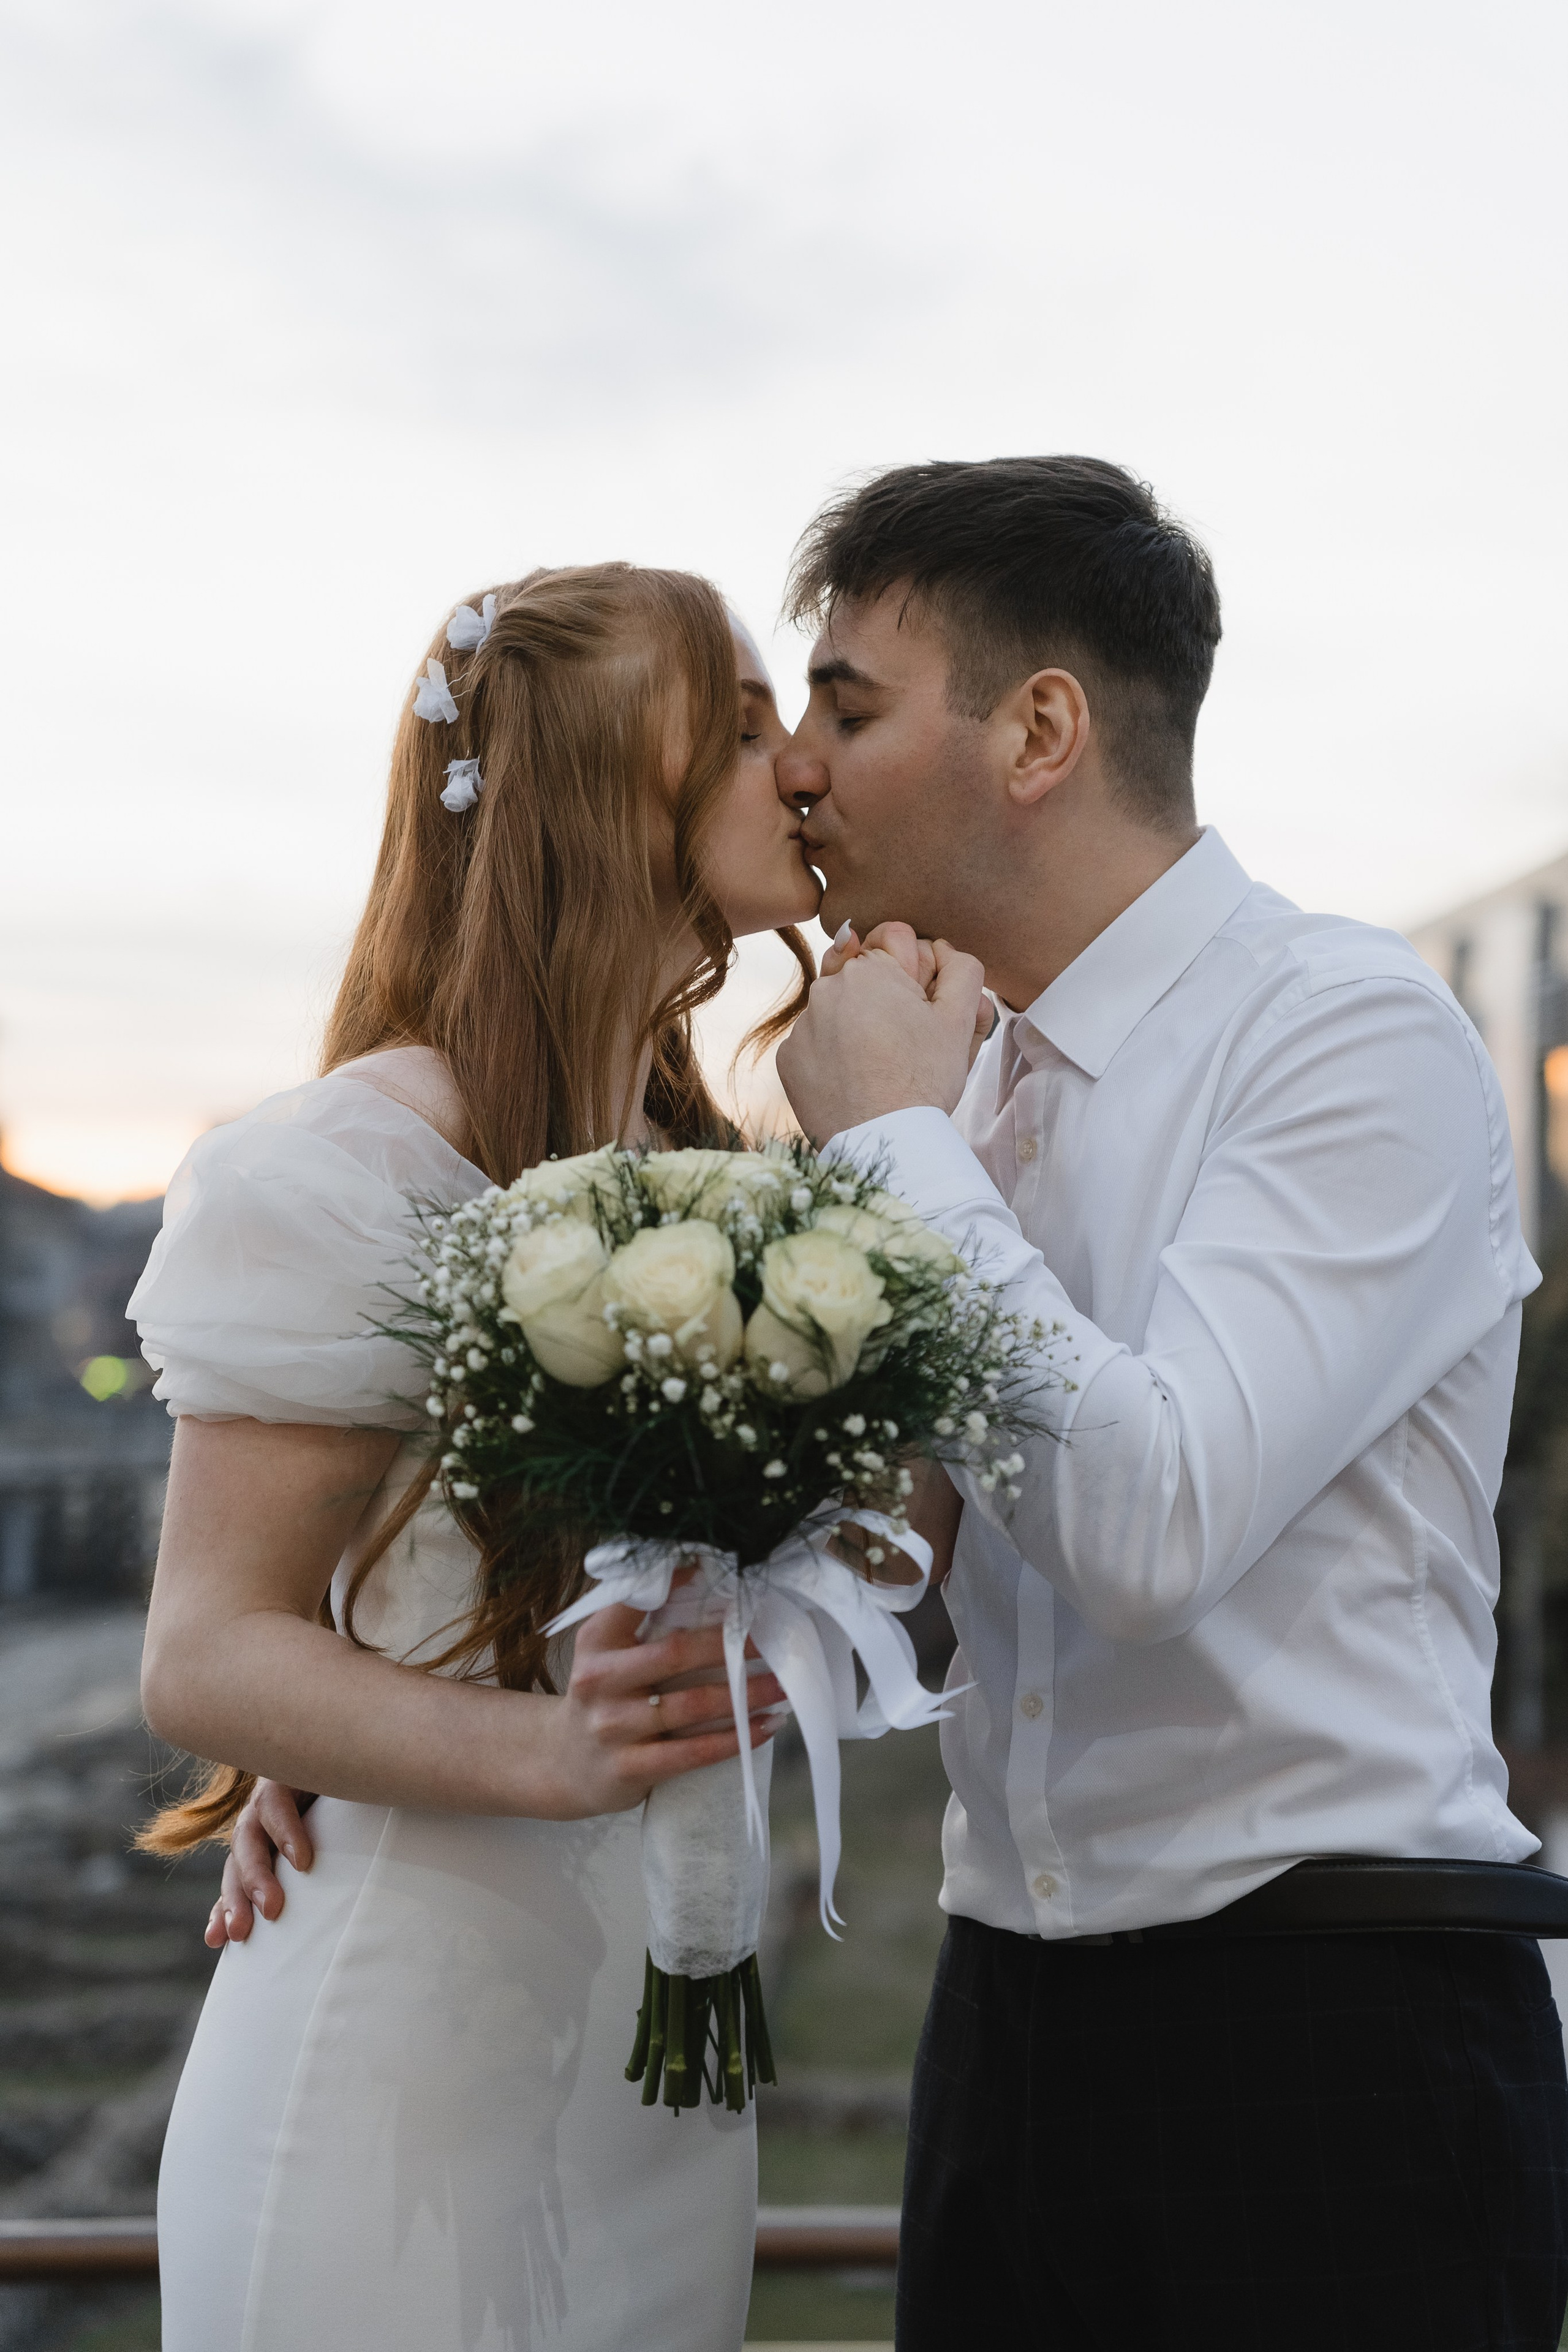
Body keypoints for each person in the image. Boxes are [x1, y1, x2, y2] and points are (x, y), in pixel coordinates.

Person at [772, 457, 1568, 2351]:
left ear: (1040, 728)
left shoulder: (1349, 1031)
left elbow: (1148, 1531)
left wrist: (888, 1141)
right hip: (1006, 2024)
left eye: (848, 706)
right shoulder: (962, 1093)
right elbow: (898, 1587)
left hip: (1329, 2044)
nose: (797, 766)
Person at [130, 563, 820, 2352]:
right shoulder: (347, 1165)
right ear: (616, 788)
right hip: (404, 2065)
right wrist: (530, 1743)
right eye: (743, 727)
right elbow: (207, 1648)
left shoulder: (722, 1179)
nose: (802, 764)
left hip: (658, 2074)